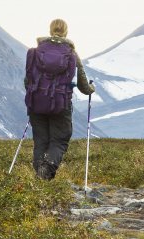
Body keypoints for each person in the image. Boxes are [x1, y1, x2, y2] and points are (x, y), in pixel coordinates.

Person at [24, 18, 95, 179]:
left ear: (50, 31)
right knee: (59, 140)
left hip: (36, 103)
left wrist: (38, 93)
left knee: (40, 140)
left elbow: (27, 80)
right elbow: (83, 86)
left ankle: (40, 178)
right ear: (66, 32)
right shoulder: (72, 54)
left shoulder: (35, 52)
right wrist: (92, 89)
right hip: (60, 104)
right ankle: (46, 171)